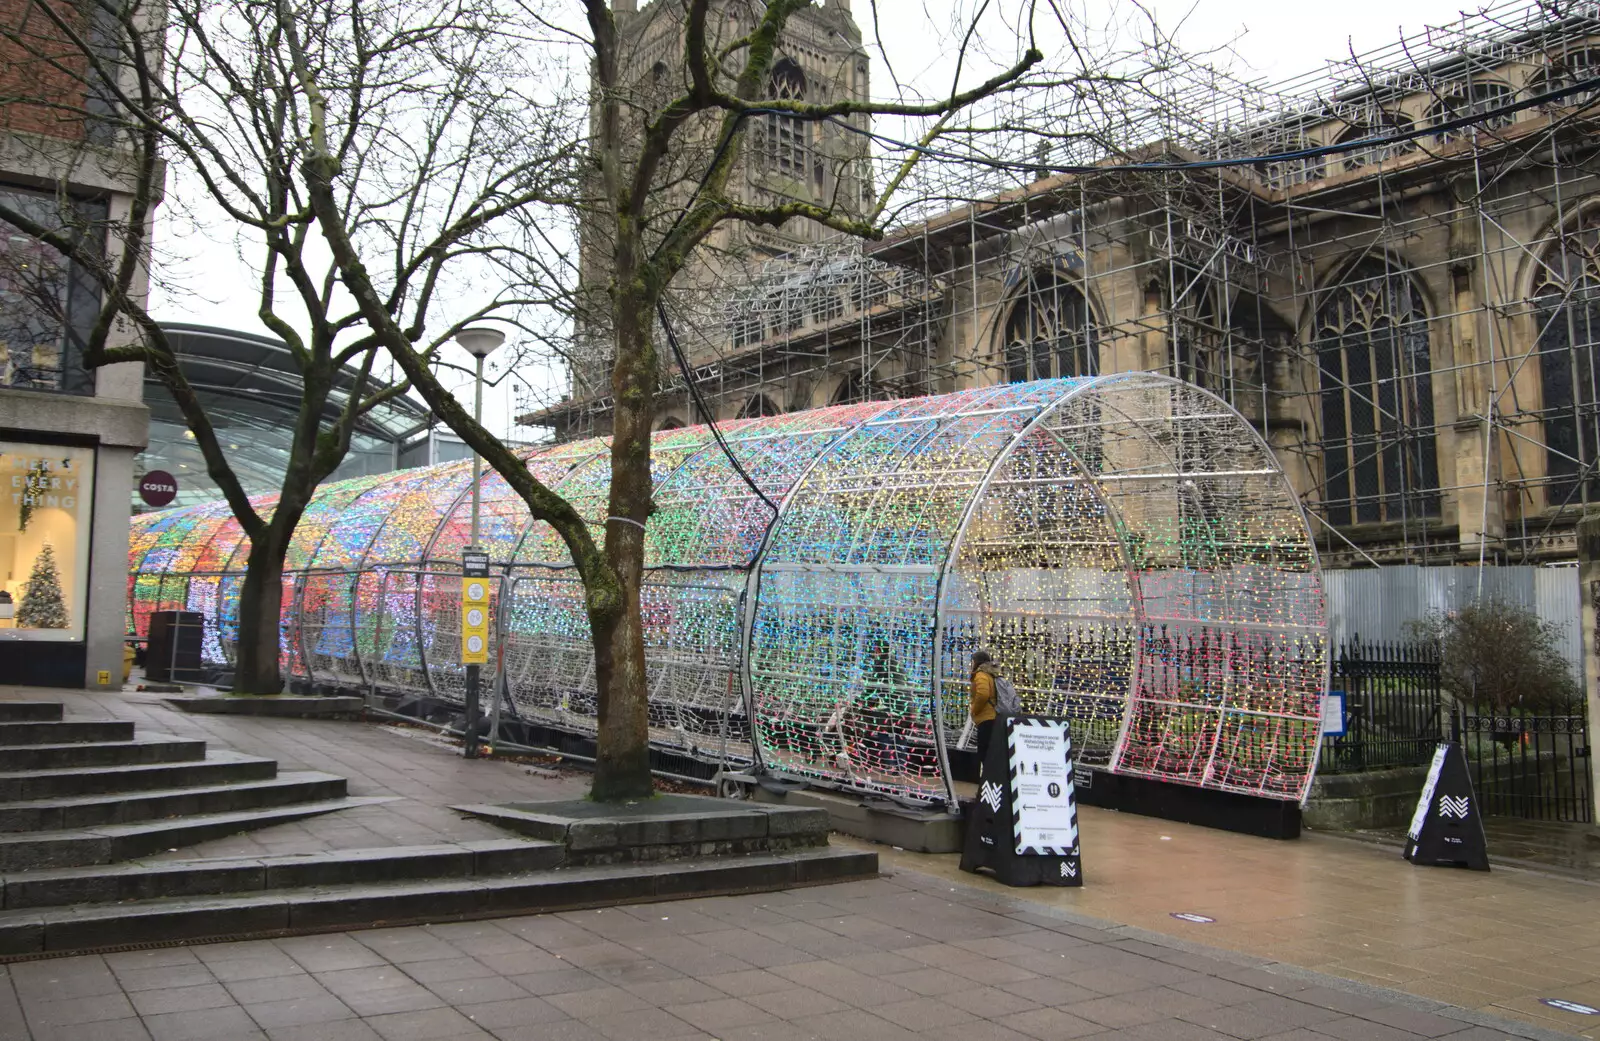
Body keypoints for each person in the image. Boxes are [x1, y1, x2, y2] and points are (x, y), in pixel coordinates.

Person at [970, 649, 1000, 762]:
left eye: (973, 661)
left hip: (986, 717)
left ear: (977, 662)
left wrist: (974, 710)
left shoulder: (981, 675)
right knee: (990, 750)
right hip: (993, 716)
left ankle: (985, 777)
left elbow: (983, 694)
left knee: (984, 751)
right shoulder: (991, 674)